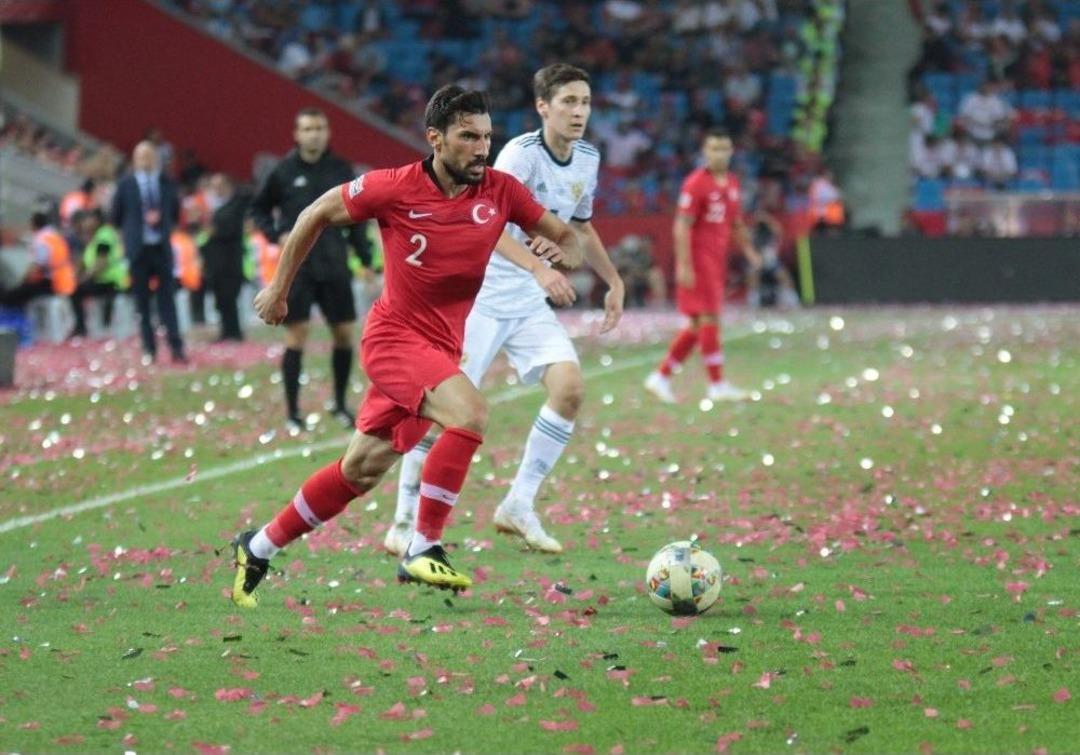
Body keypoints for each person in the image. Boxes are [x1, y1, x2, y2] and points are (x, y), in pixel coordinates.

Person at [229, 85, 580, 608]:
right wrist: (279, 288)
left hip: (440, 350)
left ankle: (256, 546)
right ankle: (424, 544)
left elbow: (568, 240)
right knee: (470, 413)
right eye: (468, 137)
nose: (482, 148)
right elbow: (314, 215)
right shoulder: (394, 188)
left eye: (486, 137)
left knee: (360, 471)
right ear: (435, 139)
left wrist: (558, 249)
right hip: (394, 341)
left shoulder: (502, 192)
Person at [384, 63, 625, 557]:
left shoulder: (586, 158)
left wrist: (613, 279)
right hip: (480, 298)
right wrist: (539, 269)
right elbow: (487, 225)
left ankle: (519, 504)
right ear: (543, 107)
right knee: (443, 412)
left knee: (570, 389)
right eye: (568, 102)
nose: (580, 112)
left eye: (585, 102)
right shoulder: (519, 155)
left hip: (526, 303)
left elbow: (579, 226)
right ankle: (403, 520)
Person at [250, 108, 374, 431]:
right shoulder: (283, 171)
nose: (314, 134)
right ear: (297, 134)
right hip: (299, 268)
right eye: (307, 128)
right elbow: (258, 207)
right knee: (296, 336)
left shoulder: (340, 169)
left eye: (319, 128)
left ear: (327, 133)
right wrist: (275, 233)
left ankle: (339, 404)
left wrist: (365, 259)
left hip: (334, 263)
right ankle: (293, 414)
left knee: (345, 334)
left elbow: (358, 218)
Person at [644, 129, 761, 404]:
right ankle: (716, 385)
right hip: (699, 260)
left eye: (724, 148)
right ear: (705, 152)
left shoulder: (731, 182)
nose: (719, 154)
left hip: (715, 259)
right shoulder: (695, 183)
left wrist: (749, 250)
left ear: (731, 151)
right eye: (714, 149)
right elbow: (681, 226)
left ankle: (660, 377)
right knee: (709, 319)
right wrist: (685, 265)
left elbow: (736, 223)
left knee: (698, 325)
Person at [111, 141, 186, 363]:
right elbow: (116, 215)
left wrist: (161, 223)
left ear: (156, 158)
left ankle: (176, 347)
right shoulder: (125, 184)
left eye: (149, 156)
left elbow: (174, 211)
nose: (145, 160)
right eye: (141, 156)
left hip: (160, 248)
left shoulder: (166, 182)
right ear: (134, 160)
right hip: (138, 250)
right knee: (142, 303)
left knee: (167, 301)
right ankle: (149, 348)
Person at [201, 173, 250, 341]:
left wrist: (214, 231)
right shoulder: (214, 207)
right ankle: (226, 331)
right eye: (214, 186)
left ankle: (234, 332)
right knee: (220, 299)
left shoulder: (235, 205)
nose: (217, 189)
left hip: (230, 260)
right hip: (216, 262)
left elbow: (228, 228)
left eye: (220, 185)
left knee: (230, 297)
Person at [69, 208, 128, 337]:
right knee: (76, 290)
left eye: (88, 219)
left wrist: (85, 277)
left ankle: (81, 327)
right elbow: (86, 260)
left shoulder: (104, 235)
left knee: (76, 293)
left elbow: (102, 262)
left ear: (96, 220)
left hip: (111, 281)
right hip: (103, 280)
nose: (86, 223)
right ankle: (87, 326)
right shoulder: (95, 236)